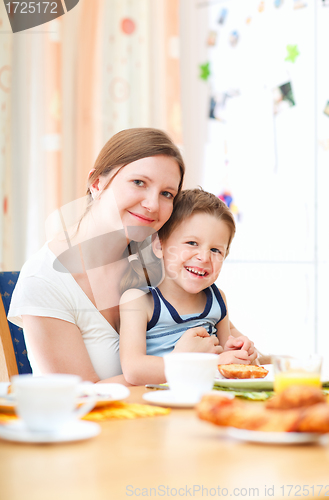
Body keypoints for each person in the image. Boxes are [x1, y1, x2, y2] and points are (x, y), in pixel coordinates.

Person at [8, 128, 235, 384]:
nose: (152, 204)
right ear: (97, 183)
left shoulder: (162, 257)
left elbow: (224, 341)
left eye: (166, 194)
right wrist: (184, 364)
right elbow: (79, 396)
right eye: (139, 182)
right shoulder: (44, 280)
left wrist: (241, 352)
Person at [119, 189, 258, 386]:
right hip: (159, 402)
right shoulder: (139, 300)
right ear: (159, 246)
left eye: (216, 250)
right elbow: (134, 370)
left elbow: (227, 356)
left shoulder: (218, 299)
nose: (204, 257)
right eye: (192, 243)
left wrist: (241, 353)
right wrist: (212, 365)